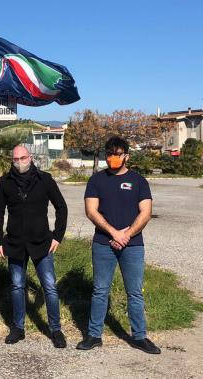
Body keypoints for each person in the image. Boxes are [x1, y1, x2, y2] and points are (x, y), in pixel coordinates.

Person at [76, 136, 161, 355]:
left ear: (126, 156)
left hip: (133, 245)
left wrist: (127, 234)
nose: (113, 158)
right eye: (110, 154)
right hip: (103, 243)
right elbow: (91, 211)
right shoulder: (96, 181)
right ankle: (94, 335)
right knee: (100, 290)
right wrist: (114, 232)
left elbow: (146, 212)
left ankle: (139, 336)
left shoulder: (139, 181)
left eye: (117, 154)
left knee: (135, 292)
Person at [0, 145, 68, 348]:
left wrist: (57, 236)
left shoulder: (45, 180)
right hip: (15, 243)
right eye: (15, 159)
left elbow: (61, 207)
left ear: (31, 157)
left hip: (42, 242)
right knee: (17, 286)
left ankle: (55, 329)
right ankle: (18, 328)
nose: (19, 162)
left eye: (22, 158)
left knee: (50, 286)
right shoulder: (5, 182)